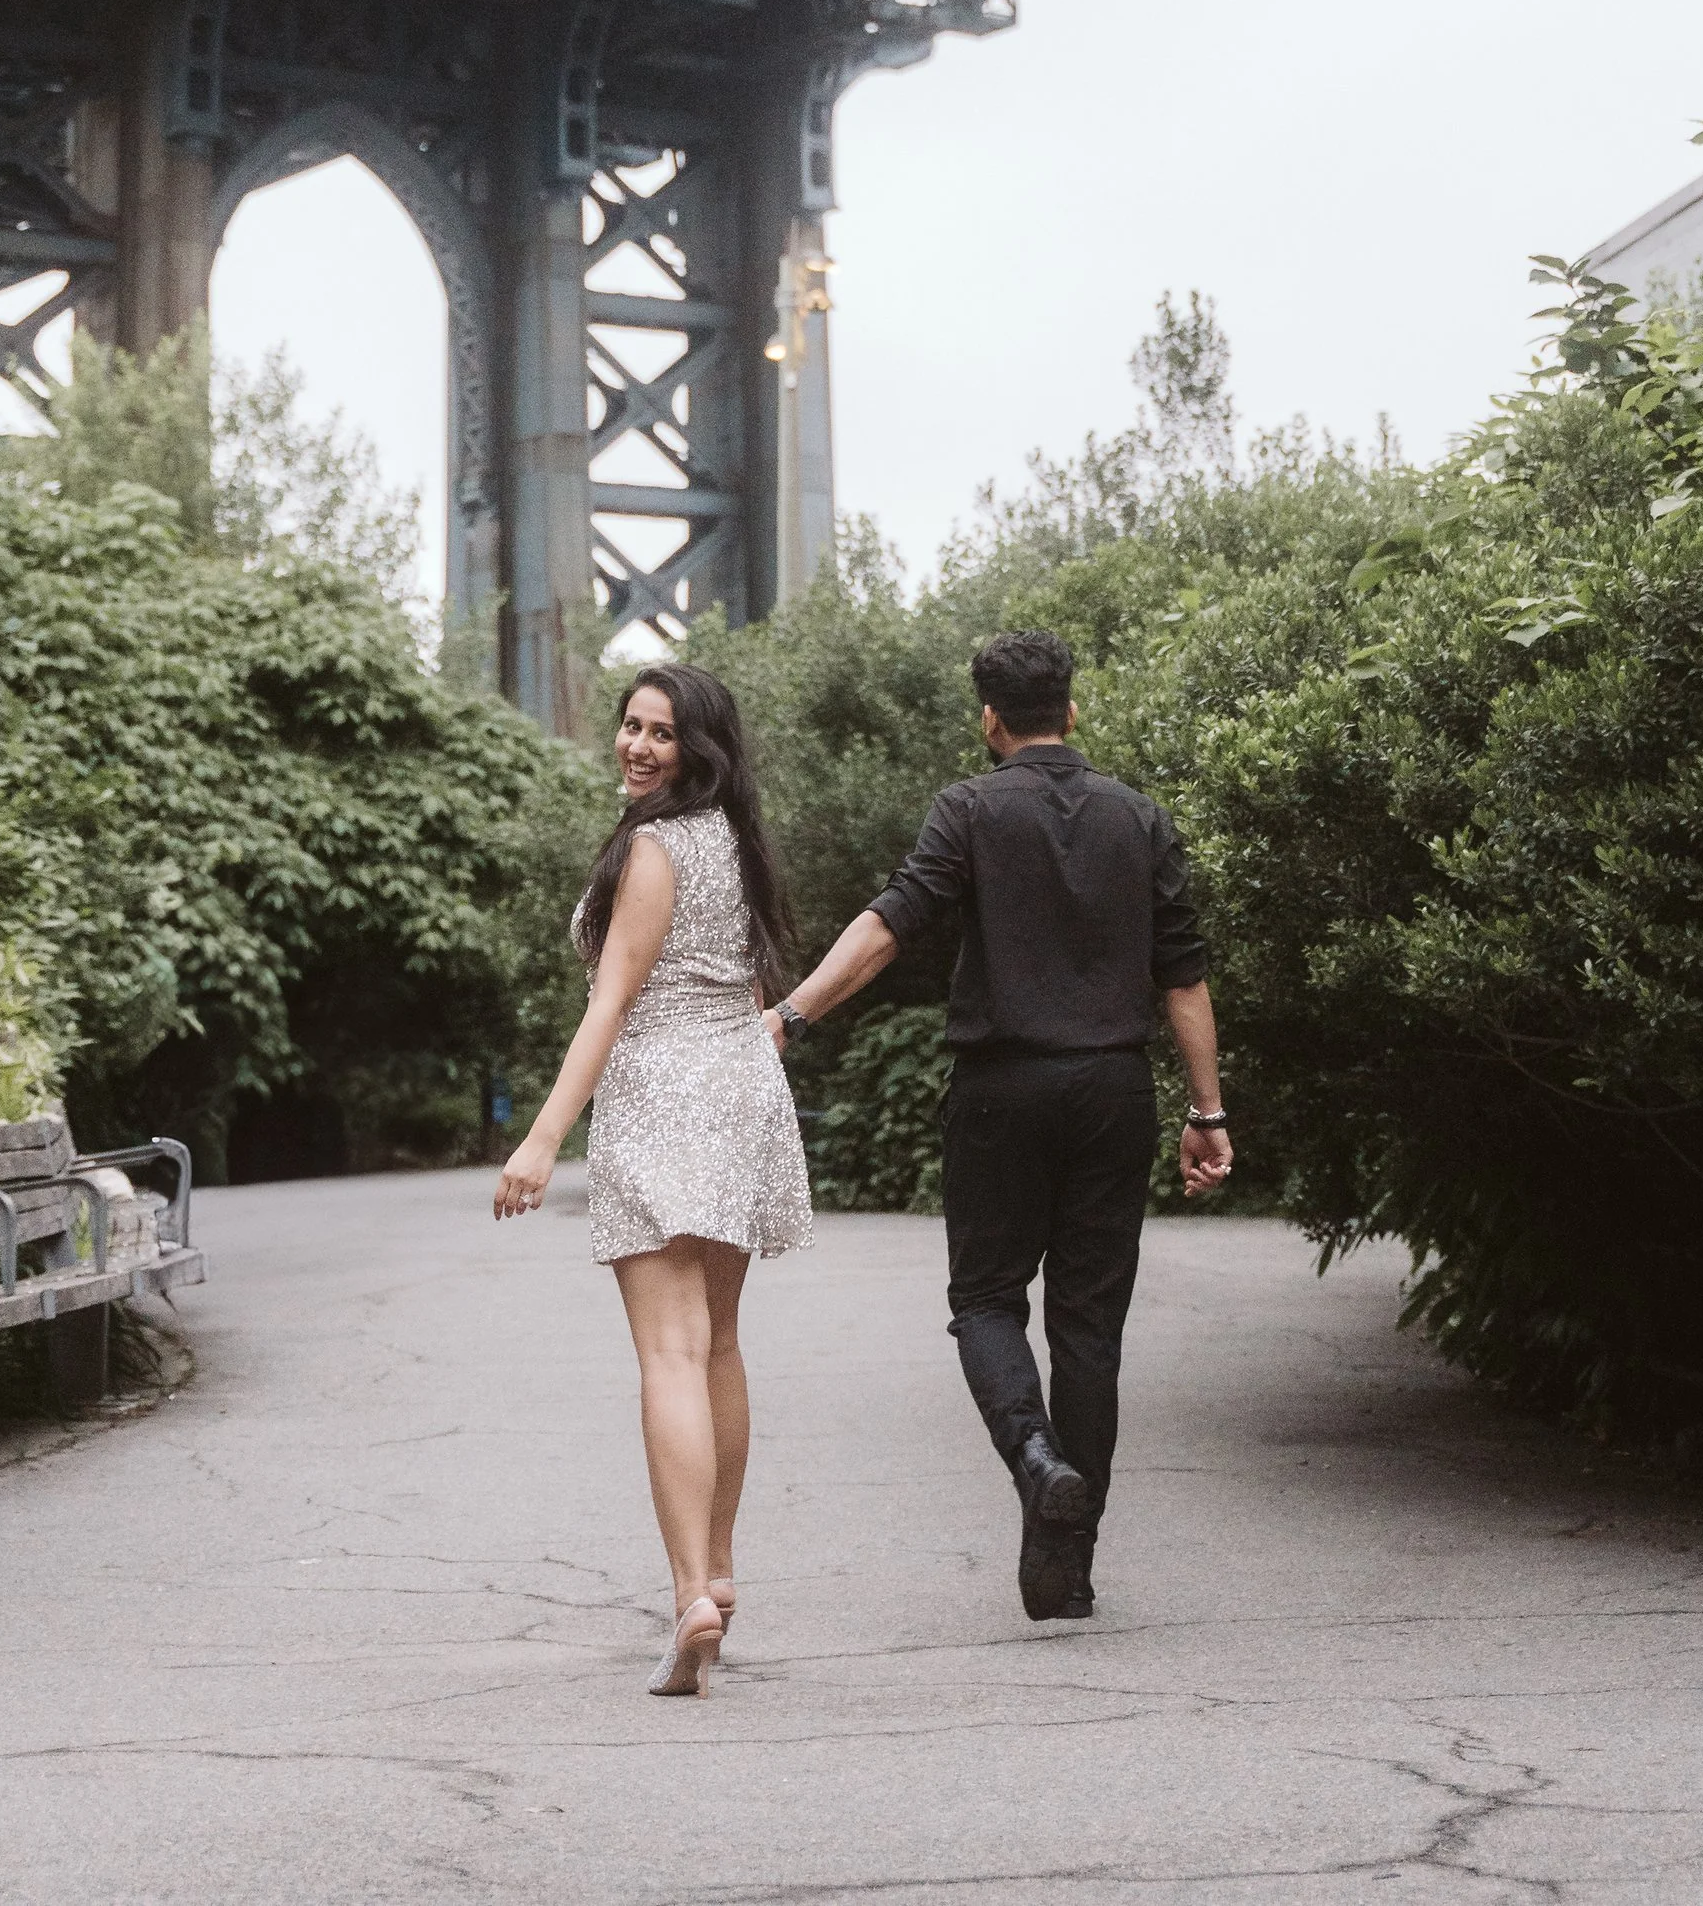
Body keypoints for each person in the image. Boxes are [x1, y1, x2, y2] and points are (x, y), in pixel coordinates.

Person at [767, 627, 1231, 1621]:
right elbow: (1182, 976)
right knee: (1089, 1326)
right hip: (1112, 1091)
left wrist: (792, 1015)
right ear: (1072, 709)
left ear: (988, 718)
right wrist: (1207, 1110)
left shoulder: (969, 811)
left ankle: (1032, 1459)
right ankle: (1072, 1552)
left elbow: (889, 926)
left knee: (985, 1301)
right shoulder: (1139, 821)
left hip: (999, 1091)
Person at [494, 661, 812, 1697]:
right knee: (716, 1343)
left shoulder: (652, 849)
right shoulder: (739, 842)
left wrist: (542, 1139)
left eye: (660, 734)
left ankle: (689, 1599)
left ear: (699, 748)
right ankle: (719, 1567)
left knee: (669, 1356)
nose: (635, 746)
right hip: (739, 1085)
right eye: (630, 727)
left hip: (667, 1091)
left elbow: (611, 1004)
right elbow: (752, 982)